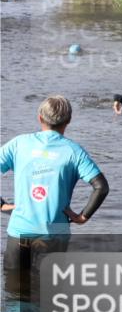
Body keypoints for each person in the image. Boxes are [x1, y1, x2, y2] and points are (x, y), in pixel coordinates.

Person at [1, 96, 110, 292]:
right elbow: (101, 187)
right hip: (54, 236)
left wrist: (1, 205)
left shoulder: (19, 144)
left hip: (19, 234)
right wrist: (82, 217)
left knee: (14, 293)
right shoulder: (74, 152)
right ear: (68, 121)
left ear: (39, 117)